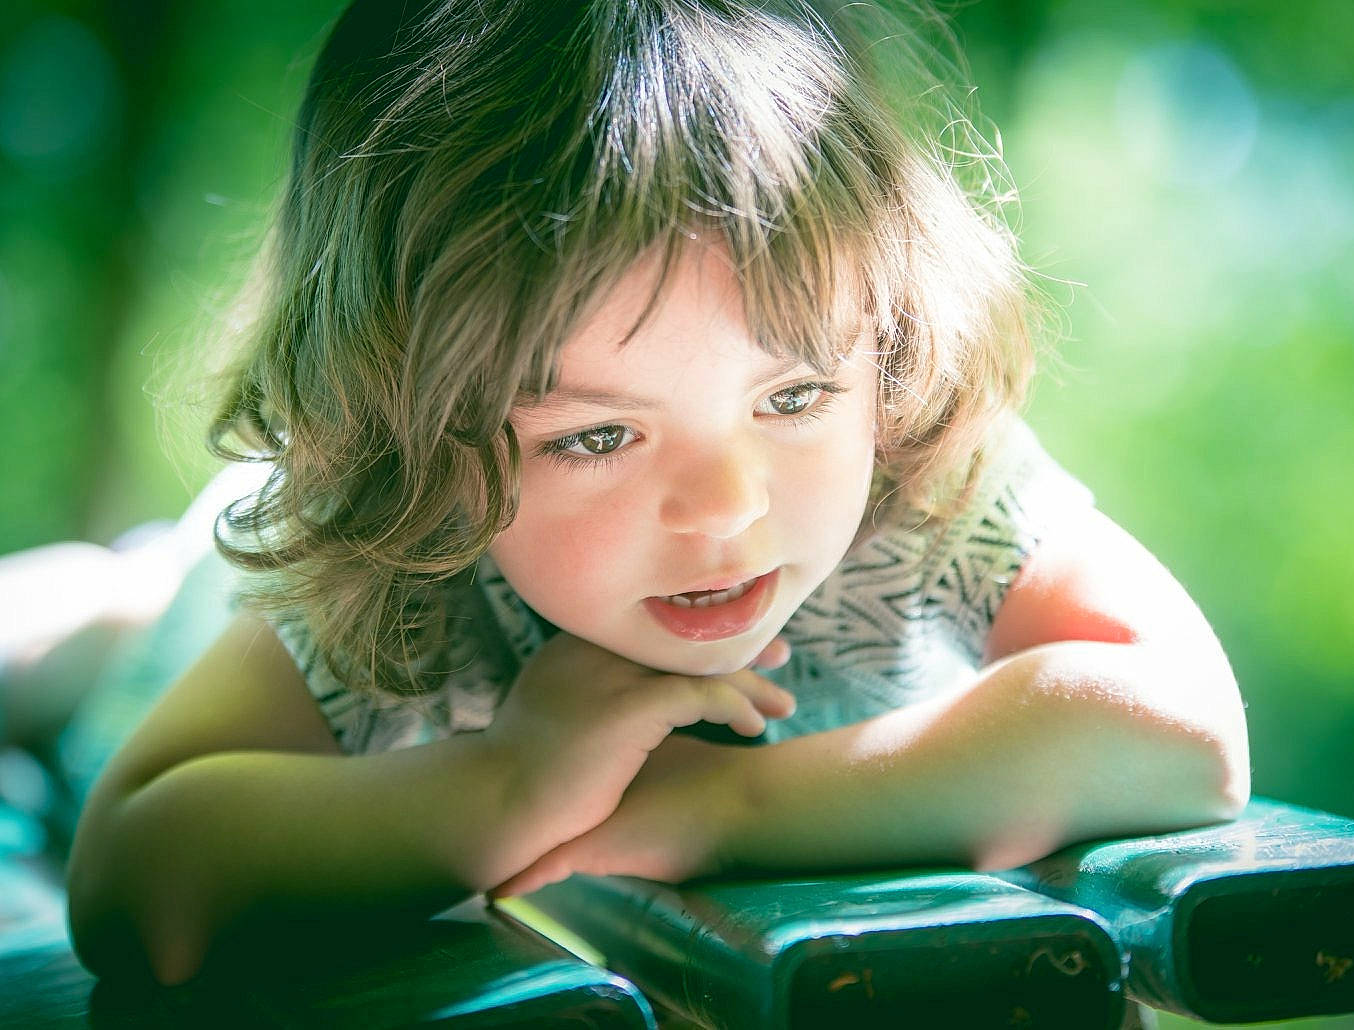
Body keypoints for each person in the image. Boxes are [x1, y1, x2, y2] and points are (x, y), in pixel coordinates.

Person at [65, 0, 1250, 986]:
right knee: (106, 614)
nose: (726, 509)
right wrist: (505, 781)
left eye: (789, 399)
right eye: (598, 435)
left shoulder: (920, 464)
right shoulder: (381, 551)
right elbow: (131, 883)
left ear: (880, 341)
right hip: (200, 591)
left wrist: (730, 801)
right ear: (411, 446)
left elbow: (1184, 725)